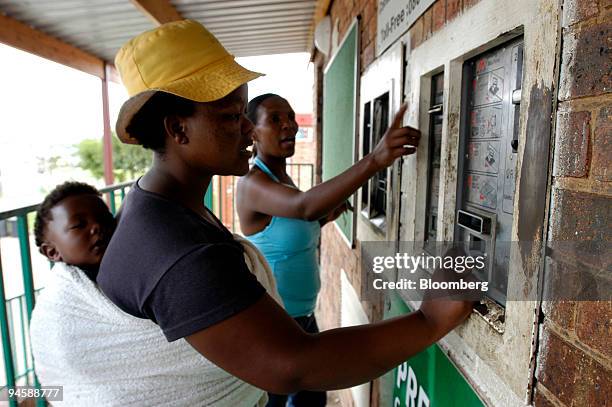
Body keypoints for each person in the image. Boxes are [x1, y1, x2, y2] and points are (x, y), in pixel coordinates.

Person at [95, 19, 473, 405]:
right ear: (178, 129)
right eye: (231, 116)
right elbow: (292, 365)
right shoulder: (178, 247)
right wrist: (431, 320)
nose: (248, 130)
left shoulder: (157, 206)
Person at [237, 93, 411, 406]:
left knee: (313, 402)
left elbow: (299, 224)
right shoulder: (252, 184)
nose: (288, 124)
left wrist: (326, 217)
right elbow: (303, 208)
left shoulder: (284, 180)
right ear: (253, 132)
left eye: (290, 116)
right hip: (272, 328)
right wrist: (374, 160)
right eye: (275, 119)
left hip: (301, 319)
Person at [34, 181, 115, 280]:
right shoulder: (60, 293)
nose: (97, 226)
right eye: (79, 225)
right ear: (52, 252)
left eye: (104, 218)